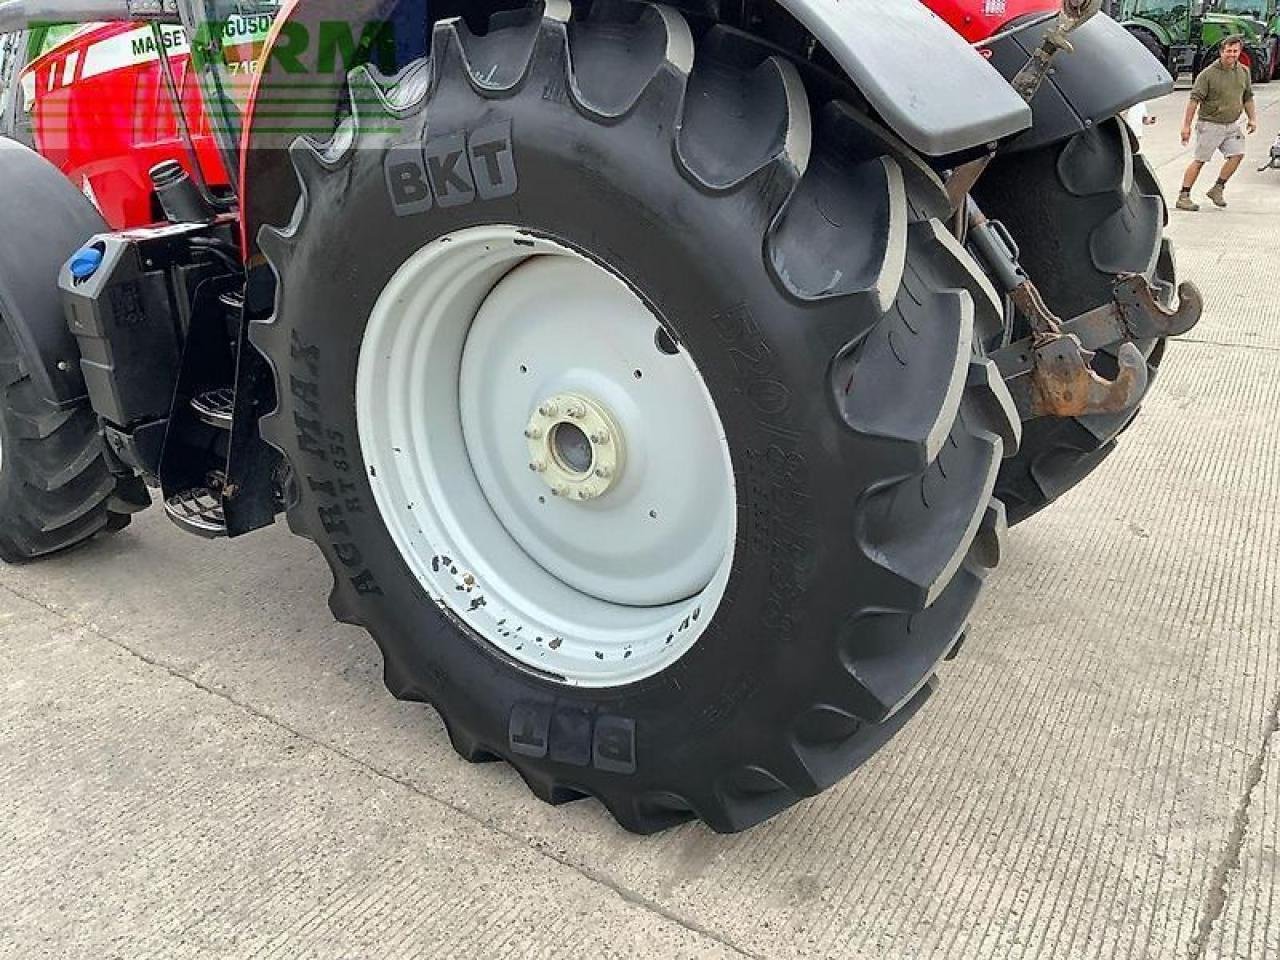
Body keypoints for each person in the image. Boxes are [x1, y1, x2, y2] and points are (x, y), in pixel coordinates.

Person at [1178, 36, 1258, 211]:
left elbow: (1248, 97)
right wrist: (1186, 126)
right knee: (1200, 160)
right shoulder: (1208, 74)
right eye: (1228, 51)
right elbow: (1194, 100)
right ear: (1221, 51)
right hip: (1210, 125)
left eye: (1235, 51)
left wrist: (1252, 118)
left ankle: (1218, 188)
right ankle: (1184, 195)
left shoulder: (1244, 71)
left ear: (1240, 52)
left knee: (1237, 155)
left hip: (1231, 125)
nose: (1232, 54)